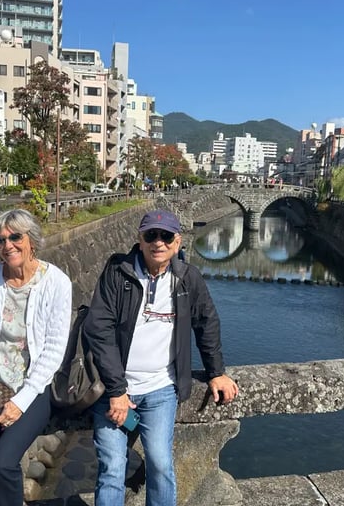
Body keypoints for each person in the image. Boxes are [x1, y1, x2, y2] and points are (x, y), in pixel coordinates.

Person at [83, 209, 239, 506]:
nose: (158, 242)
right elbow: (98, 329)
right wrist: (117, 390)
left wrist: (216, 371)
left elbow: (207, 322)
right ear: (139, 240)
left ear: (178, 242)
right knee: (112, 468)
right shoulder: (118, 273)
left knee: (161, 465)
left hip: (160, 388)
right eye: (150, 235)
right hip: (113, 390)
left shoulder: (187, 278)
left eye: (166, 236)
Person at [0, 208, 72, 506]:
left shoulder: (56, 282)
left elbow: (54, 350)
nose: (8, 245)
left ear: (30, 239)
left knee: (3, 463)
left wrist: (19, 403)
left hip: (34, 390)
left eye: (15, 237)